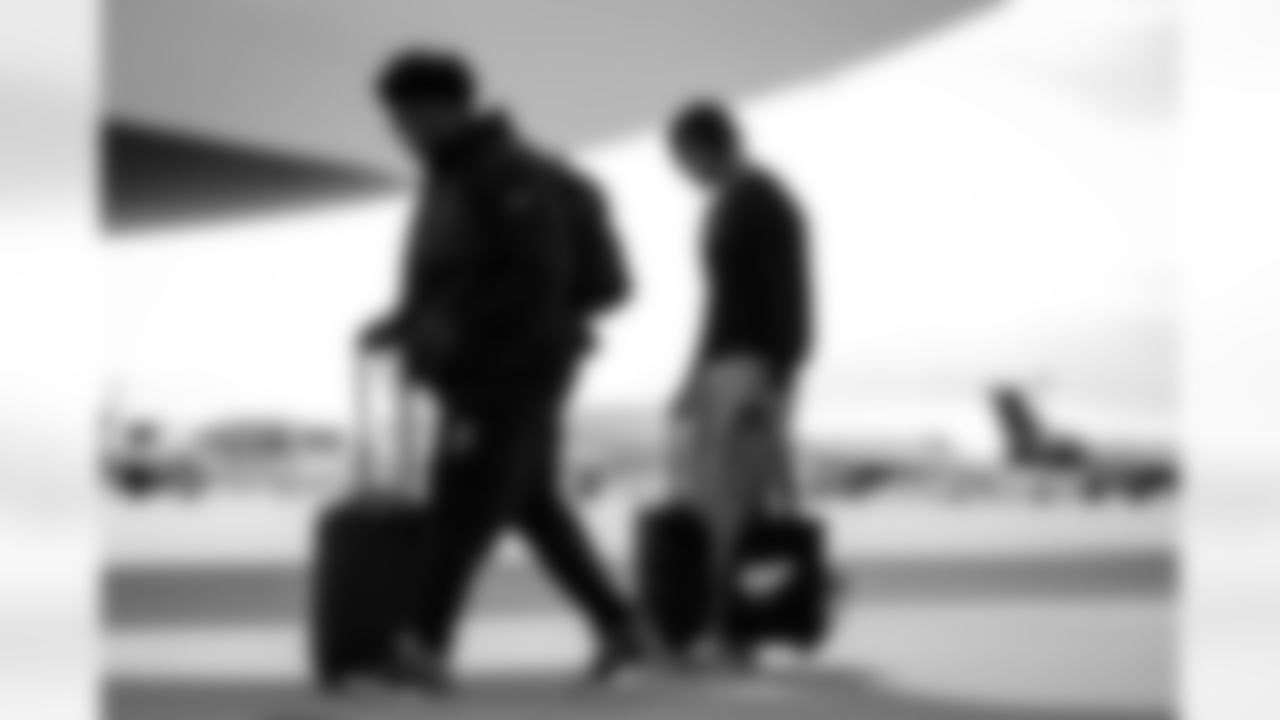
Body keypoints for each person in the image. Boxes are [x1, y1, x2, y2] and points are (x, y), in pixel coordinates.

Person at [362, 49, 654, 693]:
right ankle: (622, 625)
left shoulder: (504, 170)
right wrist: (403, 321)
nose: (399, 132)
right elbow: (454, 274)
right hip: (490, 365)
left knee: (460, 502)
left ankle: (424, 648)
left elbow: (536, 278)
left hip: (515, 366)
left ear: (442, 108)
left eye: (406, 118)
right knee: (533, 504)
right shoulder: (455, 172)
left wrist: (453, 328)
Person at [667, 100, 815, 668]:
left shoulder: (764, 203)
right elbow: (717, 303)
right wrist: (691, 375)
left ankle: (734, 628)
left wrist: (775, 380)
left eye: (683, 160)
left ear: (708, 147)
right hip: (724, 365)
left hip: (753, 366)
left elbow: (790, 297)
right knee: (713, 499)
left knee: (738, 501)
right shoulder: (727, 205)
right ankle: (724, 623)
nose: (682, 173)